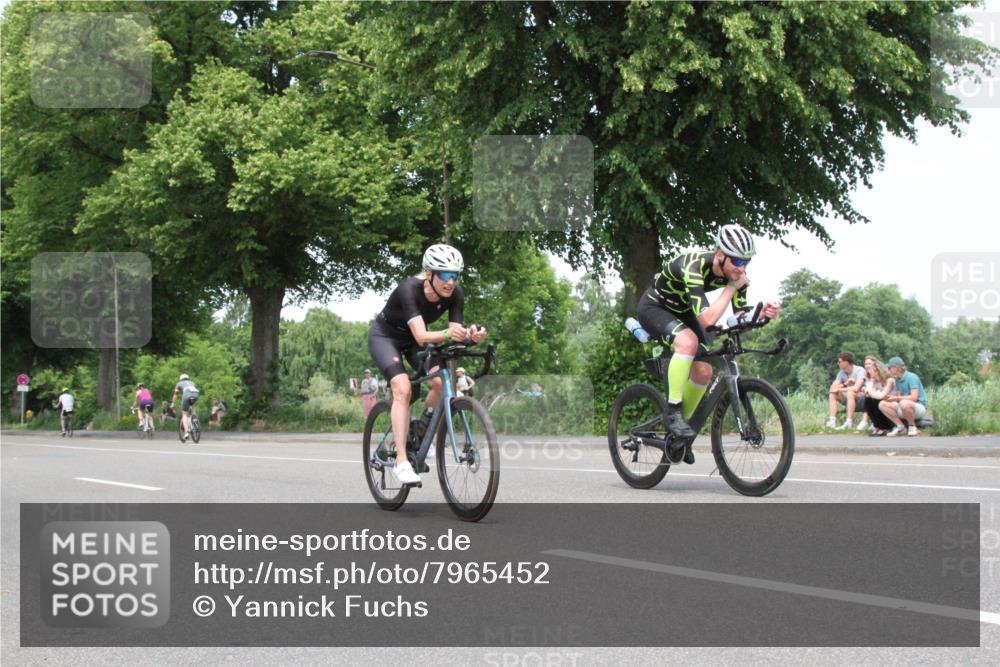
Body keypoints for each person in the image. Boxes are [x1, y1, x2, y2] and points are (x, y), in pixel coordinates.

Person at [636, 224, 781, 463]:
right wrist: (732, 287)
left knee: (704, 371)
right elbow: (707, 319)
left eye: (746, 262)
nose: (741, 268)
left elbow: (738, 317)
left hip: (683, 311)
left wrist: (761, 314)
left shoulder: (736, 276)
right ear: (720, 255)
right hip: (655, 307)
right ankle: (672, 412)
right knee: (688, 341)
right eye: (737, 261)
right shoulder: (693, 266)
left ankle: (681, 433)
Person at [367, 243, 487, 485]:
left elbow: (454, 332)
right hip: (386, 337)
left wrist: (469, 336)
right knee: (403, 388)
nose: (450, 282)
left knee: (441, 383)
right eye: (444, 275)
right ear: (429, 274)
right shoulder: (409, 289)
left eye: (455, 275)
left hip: (414, 340)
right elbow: (422, 335)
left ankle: (421, 430)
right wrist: (448, 334)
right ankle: (401, 461)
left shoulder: (456, 294)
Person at [879, 357, 928, 437]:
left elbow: (914, 397)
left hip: (918, 407)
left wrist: (897, 398)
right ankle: (901, 427)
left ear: (895, 368)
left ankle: (913, 427)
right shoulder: (897, 379)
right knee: (882, 404)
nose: (888, 370)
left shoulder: (912, 377)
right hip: (903, 405)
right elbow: (899, 397)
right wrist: (890, 398)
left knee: (904, 403)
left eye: (889, 368)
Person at [827, 351, 867, 430]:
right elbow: (832, 389)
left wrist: (841, 389)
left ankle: (849, 422)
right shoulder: (841, 373)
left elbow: (856, 388)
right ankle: (832, 421)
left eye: (839, 361)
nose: (838, 363)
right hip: (849, 398)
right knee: (833, 394)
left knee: (850, 392)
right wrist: (845, 384)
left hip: (862, 398)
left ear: (846, 362)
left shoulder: (859, 370)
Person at [860, 355, 896, 436]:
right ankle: (877, 426)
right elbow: (868, 393)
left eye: (872, 370)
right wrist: (868, 382)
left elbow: (881, 396)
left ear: (878, 371)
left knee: (876, 400)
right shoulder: (874, 380)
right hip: (881, 400)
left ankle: (885, 427)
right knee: (868, 400)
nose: (870, 372)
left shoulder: (889, 380)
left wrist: (869, 390)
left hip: (891, 402)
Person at [170, 373, 200, 442]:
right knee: (193, 405)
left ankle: (186, 432)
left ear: (181, 379)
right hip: (196, 394)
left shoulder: (179, 383)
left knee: (184, 414)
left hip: (186, 395)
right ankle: (194, 419)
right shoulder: (192, 382)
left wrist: (173, 403)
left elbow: (176, 395)